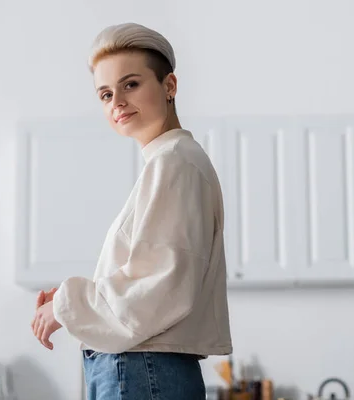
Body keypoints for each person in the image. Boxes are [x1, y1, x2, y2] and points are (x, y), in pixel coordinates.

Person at [30, 22, 233, 400]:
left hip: (141, 371)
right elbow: (154, 274)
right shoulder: (170, 162)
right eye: (105, 94)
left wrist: (66, 305)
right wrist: (79, 298)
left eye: (131, 84)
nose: (117, 102)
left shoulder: (175, 164)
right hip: (142, 371)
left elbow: (160, 284)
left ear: (169, 86)